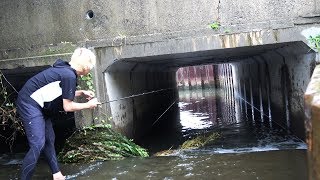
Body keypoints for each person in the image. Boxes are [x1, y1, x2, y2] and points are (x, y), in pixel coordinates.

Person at [16, 48, 101, 180]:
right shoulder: (69, 75)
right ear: (86, 66)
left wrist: (81, 92)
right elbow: (67, 106)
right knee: (38, 144)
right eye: (91, 66)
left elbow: (59, 91)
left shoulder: (66, 71)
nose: (90, 69)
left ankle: (57, 175)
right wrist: (88, 105)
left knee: (49, 139)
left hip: (41, 105)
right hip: (29, 103)